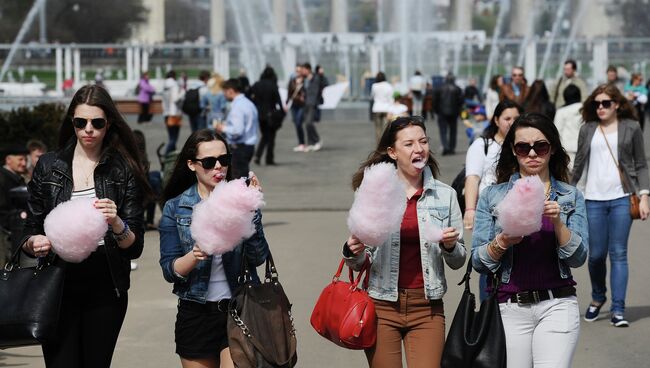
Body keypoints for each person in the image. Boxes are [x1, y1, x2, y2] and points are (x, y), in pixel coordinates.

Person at [20, 84, 150, 367]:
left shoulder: (122, 168)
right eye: (81, 122)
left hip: (105, 283)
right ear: (72, 123)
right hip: (57, 280)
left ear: (109, 124)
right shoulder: (50, 165)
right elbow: (29, 228)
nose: (88, 129)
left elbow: (135, 246)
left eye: (97, 123)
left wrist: (117, 222)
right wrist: (34, 242)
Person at [344, 116, 466, 368]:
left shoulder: (446, 195)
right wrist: (351, 251)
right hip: (381, 305)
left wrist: (450, 246)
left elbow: (458, 261)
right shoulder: (373, 191)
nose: (418, 148)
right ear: (392, 152)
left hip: (428, 307)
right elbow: (359, 261)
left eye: (423, 141)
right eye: (409, 144)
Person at [472, 112, 588, 368]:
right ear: (513, 150)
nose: (533, 154)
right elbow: (478, 261)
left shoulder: (570, 196)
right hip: (509, 306)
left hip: (557, 303)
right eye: (524, 147)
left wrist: (558, 223)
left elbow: (578, 257)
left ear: (553, 149)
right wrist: (501, 242)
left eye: (541, 146)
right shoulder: (493, 196)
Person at [159, 129, 269, 368]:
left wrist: (251, 210)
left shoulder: (240, 200)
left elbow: (258, 257)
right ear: (191, 164)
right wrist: (195, 255)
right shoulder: (175, 208)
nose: (218, 167)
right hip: (195, 313)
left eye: (224, 159)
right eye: (209, 162)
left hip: (239, 308)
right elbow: (169, 270)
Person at [571, 84, 650, 327]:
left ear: (617, 104)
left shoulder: (631, 127)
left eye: (606, 103)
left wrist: (645, 195)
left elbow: (641, 163)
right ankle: (598, 296)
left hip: (621, 198)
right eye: (597, 104)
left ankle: (618, 309)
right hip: (593, 199)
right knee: (595, 256)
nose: (601, 108)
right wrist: (566, 191)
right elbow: (579, 163)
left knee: (619, 254)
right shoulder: (587, 129)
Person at [215, 78, 259, 179]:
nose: (224, 95)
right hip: (248, 145)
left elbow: (237, 131)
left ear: (230, 90)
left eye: (224, 92)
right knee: (242, 178)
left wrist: (223, 128)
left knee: (238, 180)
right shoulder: (248, 103)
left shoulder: (237, 107)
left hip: (239, 147)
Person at [0, 144, 29, 265]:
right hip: (5, 236)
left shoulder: (19, 179)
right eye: (20, 159)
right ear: (8, 160)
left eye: (25, 160)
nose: (24, 163)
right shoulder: (2, 179)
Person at [251, 66, 283, 166]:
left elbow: (248, 95)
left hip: (259, 114)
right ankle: (268, 158)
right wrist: (281, 111)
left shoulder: (257, 84)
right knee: (270, 137)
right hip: (271, 114)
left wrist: (255, 103)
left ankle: (258, 155)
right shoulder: (273, 85)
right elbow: (278, 100)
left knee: (265, 135)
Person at [433, 73, 464, 155]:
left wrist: (436, 111)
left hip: (442, 112)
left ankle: (445, 146)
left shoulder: (439, 88)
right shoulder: (457, 89)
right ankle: (452, 148)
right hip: (454, 112)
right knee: (453, 131)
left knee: (443, 131)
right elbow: (461, 102)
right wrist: (459, 111)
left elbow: (435, 101)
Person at [553, 84, 583, 168]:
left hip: (567, 148)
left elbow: (557, 131)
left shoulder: (561, 111)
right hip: (584, 147)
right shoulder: (585, 109)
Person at [301, 63, 324, 152]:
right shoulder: (305, 79)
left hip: (312, 103)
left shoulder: (316, 77)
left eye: (303, 70)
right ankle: (310, 143)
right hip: (306, 103)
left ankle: (317, 140)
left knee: (309, 123)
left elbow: (322, 84)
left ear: (308, 69)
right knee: (306, 124)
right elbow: (305, 90)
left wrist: (321, 74)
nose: (302, 71)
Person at [162, 70, 185, 155]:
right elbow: (175, 99)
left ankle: (172, 156)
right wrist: (182, 93)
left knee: (171, 137)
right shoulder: (175, 85)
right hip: (174, 113)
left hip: (166, 113)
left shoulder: (164, 86)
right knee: (174, 138)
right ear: (174, 76)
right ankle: (166, 154)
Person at [287, 64, 306, 152]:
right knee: (296, 124)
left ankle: (302, 143)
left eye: (299, 71)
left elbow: (307, 91)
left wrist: (301, 86)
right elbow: (289, 92)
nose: (298, 73)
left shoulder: (305, 81)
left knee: (298, 122)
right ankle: (301, 143)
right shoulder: (292, 80)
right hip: (294, 105)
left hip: (302, 105)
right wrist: (286, 103)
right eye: (296, 71)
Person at [370, 71, 394, 143]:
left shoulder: (374, 86)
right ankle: (386, 143)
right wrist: (391, 109)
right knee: (386, 128)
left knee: (378, 129)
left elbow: (372, 96)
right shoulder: (389, 86)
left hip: (377, 108)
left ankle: (379, 144)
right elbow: (391, 99)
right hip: (386, 108)